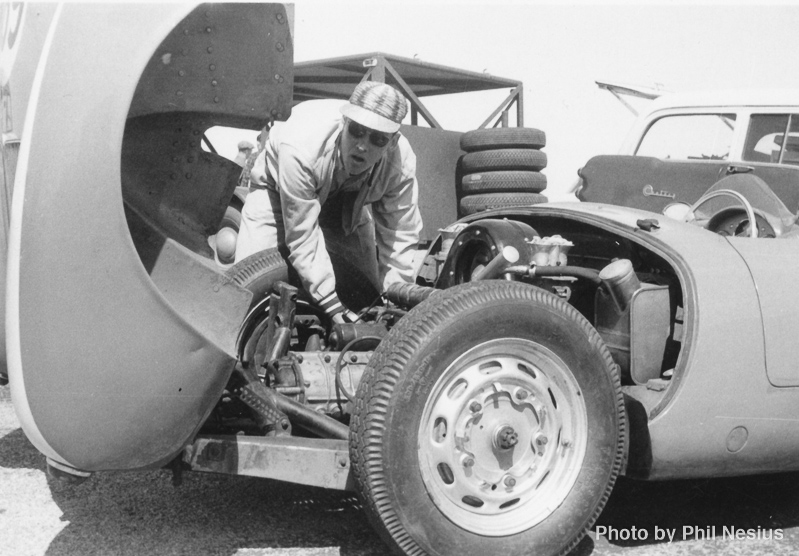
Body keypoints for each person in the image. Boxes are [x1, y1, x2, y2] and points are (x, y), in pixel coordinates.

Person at [235, 81, 422, 323]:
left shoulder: (401, 164)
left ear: (393, 142)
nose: (363, 145)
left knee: (370, 298)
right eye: (356, 130)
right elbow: (302, 235)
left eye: (378, 139)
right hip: (278, 193)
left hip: (350, 204)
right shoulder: (301, 146)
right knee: (248, 290)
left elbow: (400, 234)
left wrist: (396, 304)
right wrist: (331, 305)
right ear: (344, 123)